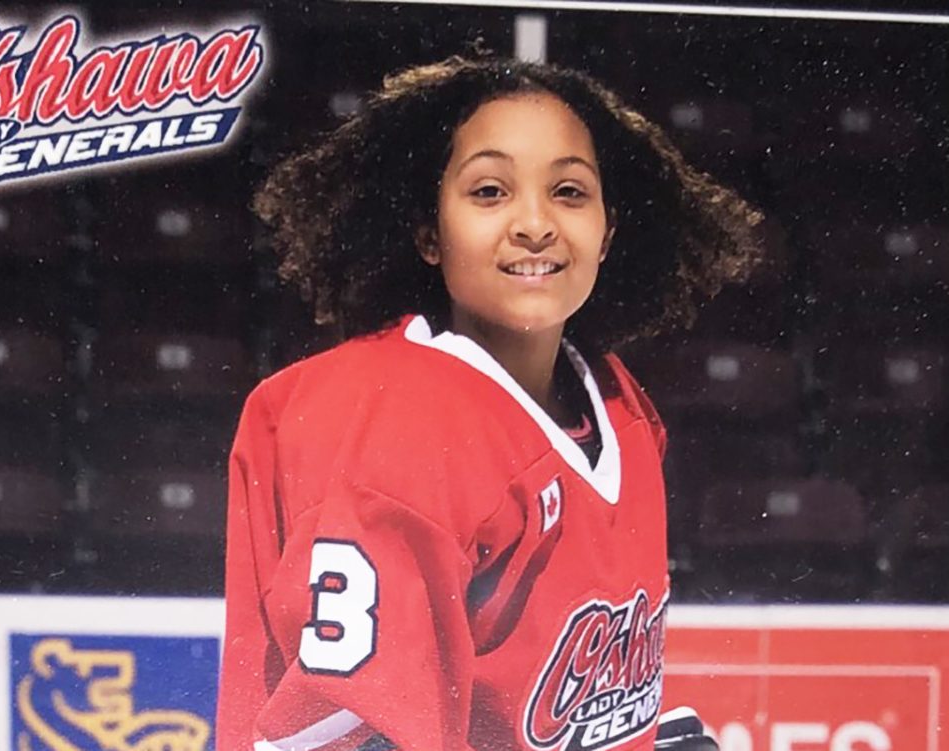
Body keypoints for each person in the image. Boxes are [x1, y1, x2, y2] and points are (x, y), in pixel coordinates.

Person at [216, 56, 762, 751]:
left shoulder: (618, 403)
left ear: (610, 228)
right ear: (428, 233)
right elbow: (352, 734)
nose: (534, 223)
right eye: (489, 191)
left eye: (568, 191)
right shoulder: (397, 428)